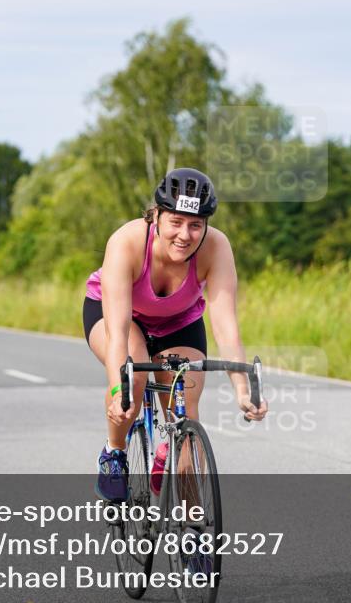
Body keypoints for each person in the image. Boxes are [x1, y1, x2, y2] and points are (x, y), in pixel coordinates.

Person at [84, 167, 268, 502]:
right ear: (156, 216)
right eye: (176, 222)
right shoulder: (125, 243)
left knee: (185, 410)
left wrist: (242, 391)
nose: (185, 235)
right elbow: (118, 333)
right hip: (121, 318)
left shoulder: (216, 247)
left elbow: (226, 323)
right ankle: (114, 452)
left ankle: (192, 532)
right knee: (134, 375)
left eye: (196, 225)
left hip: (178, 321)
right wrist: (117, 391)